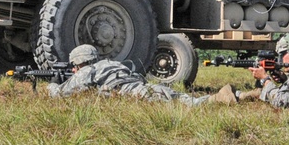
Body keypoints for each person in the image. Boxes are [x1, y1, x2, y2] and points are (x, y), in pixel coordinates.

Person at [46, 44, 237, 105]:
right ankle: (237, 96)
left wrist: (52, 83)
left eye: (74, 66)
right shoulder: (108, 64)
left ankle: (221, 98)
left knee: (186, 104)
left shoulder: (86, 72)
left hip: (135, 94)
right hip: (142, 88)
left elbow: (60, 94)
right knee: (183, 99)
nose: (73, 70)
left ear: (80, 62)